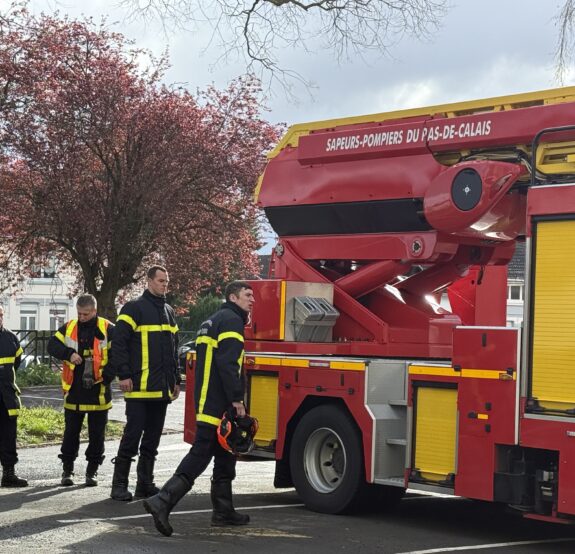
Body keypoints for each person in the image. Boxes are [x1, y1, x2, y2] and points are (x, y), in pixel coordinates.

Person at [144, 280, 255, 537]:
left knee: (226, 453)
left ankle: (223, 511)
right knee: (201, 453)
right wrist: (237, 399)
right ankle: (162, 501)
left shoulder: (213, 320)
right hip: (219, 402)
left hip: (208, 399)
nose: (252, 300)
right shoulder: (232, 321)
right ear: (233, 297)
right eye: (247, 295)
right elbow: (229, 364)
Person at [109, 265, 180, 501]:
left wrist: (176, 379)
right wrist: (123, 374)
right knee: (132, 436)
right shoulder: (133, 308)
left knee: (152, 440)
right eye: (161, 281)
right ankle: (119, 485)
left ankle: (145, 484)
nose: (164, 285)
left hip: (161, 389)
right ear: (149, 281)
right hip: (138, 387)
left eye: (166, 281)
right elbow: (118, 343)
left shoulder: (169, 311)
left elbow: (173, 349)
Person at [47, 294, 115, 487]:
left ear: (94, 311)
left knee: (97, 435)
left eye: (86, 314)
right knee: (70, 434)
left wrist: (107, 377)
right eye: (79, 313)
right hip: (74, 390)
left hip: (99, 391)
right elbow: (52, 345)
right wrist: (69, 354)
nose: (82, 317)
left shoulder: (108, 328)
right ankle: (67, 470)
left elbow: (119, 354)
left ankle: (91, 471)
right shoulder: (70, 327)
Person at [0, 305, 27, 487]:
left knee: (9, 437)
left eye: (0, 315)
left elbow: (16, 364)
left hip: (6, 396)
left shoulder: (10, 338)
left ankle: (9, 475)